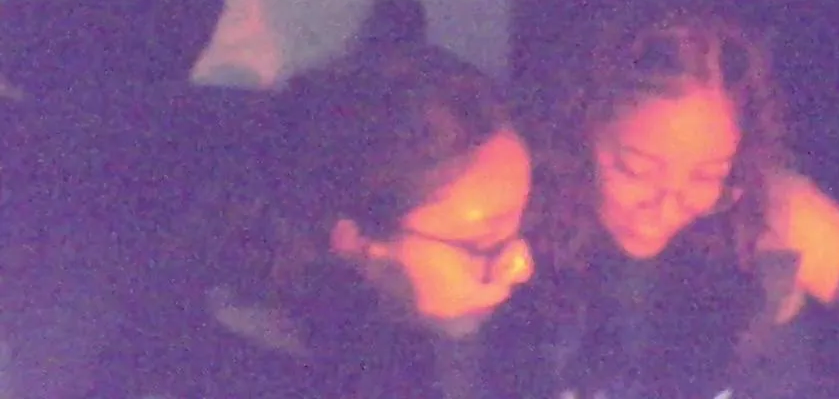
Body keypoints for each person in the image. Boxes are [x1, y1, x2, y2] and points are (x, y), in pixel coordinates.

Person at [507, 3, 839, 398]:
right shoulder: (514, 214)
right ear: (582, 132)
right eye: (636, 171)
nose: (666, 207)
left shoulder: (779, 214)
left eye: (707, 177)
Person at [94, 46, 536, 399]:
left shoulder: (435, 339)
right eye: (485, 243)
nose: (521, 266)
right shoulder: (215, 371)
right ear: (353, 239)